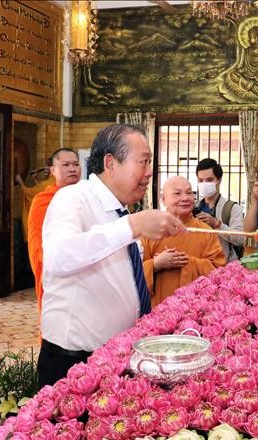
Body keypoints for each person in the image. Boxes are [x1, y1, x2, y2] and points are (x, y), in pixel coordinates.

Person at [37, 124, 185, 387]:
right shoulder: (73, 199)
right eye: (143, 162)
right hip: (74, 362)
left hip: (114, 356)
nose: (150, 173)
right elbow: (58, 257)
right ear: (110, 163)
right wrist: (132, 227)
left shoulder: (119, 212)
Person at [141, 176, 227, 305]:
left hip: (197, 309)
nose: (185, 198)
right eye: (177, 193)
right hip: (159, 313)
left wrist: (188, 262)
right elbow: (133, 274)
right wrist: (155, 264)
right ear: (163, 199)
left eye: (189, 193)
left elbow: (219, 271)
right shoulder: (150, 231)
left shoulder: (205, 231)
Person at [27, 148, 81, 321]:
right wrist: (50, 267)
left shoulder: (87, 196)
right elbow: (36, 240)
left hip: (84, 270)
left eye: (76, 164)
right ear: (52, 170)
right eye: (65, 165)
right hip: (57, 271)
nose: (72, 169)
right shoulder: (43, 200)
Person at [194, 158, 245, 262]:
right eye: (200, 180)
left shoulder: (232, 208)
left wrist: (217, 224)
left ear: (219, 180)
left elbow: (240, 239)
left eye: (209, 180)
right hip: (200, 265)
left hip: (225, 266)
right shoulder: (194, 207)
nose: (204, 184)